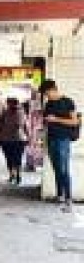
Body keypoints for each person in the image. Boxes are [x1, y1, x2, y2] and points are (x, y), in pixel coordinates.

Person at [41, 80, 80, 212]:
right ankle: (60, 195)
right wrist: (46, 122)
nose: (47, 96)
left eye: (47, 93)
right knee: (56, 168)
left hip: (63, 140)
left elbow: (75, 122)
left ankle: (68, 199)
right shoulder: (48, 104)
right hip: (51, 139)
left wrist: (56, 119)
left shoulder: (68, 101)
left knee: (64, 169)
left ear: (53, 89)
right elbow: (45, 121)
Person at [0, 97, 29, 185]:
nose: (8, 105)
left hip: (8, 139)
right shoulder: (22, 113)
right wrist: (28, 137)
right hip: (19, 139)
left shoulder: (6, 112)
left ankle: (13, 175)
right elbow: (26, 126)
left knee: (9, 158)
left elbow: (0, 125)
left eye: (9, 103)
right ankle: (17, 174)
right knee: (17, 158)